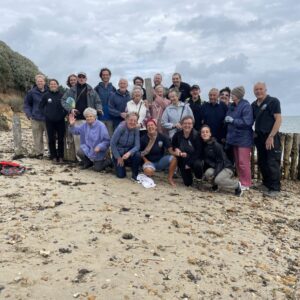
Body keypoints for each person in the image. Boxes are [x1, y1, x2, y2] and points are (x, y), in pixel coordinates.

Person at [61, 72, 102, 160]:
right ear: (78, 78)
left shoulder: (91, 89)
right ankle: (81, 159)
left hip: (90, 119)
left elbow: (98, 101)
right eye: (80, 77)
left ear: (86, 79)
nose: (81, 78)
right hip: (77, 119)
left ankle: (91, 158)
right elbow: (63, 100)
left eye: (83, 77)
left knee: (91, 140)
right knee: (78, 140)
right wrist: (71, 109)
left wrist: (99, 109)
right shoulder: (71, 90)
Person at [252, 82, 282, 197]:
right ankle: (266, 183)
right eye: (256, 90)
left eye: (260, 89)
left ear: (265, 89)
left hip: (271, 137)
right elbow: (251, 120)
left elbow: (278, 119)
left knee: (272, 162)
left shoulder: (273, 101)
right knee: (262, 161)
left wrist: (271, 136)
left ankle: (275, 188)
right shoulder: (254, 105)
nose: (258, 91)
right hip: (259, 137)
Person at [200, 125, 243, 196]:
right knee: (208, 173)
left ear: (210, 134)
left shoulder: (216, 145)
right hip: (217, 167)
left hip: (226, 167)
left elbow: (221, 161)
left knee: (218, 179)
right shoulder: (203, 145)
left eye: (207, 132)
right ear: (201, 134)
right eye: (203, 132)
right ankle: (215, 186)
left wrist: (215, 174)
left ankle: (237, 185)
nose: (205, 133)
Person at [225, 86, 253, 190]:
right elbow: (228, 116)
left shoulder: (246, 106)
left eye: (233, 94)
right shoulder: (232, 106)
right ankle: (241, 181)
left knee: (243, 162)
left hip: (244, 139)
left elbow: (248, 122)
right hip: (234, 138)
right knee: (237, 161)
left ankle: (247, 183)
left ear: (238, 95)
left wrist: (233, 121)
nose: (231, 96)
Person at [140, 119, 177, 186]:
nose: (150, 127)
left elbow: (170, 149)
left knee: (174, 159)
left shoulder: (162, 136)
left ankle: (170, 178)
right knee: (148, 171)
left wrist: (176, 153)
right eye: (148, 125)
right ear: (146, 128)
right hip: (149, 162)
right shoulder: (143, 139)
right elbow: (140, 153)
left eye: (152, 125)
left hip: (160, 161)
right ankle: (150, 171)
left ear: (156, 126)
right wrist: (145, 160)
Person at [39, 79, 67, 164]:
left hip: (60, 121)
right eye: (51, 84)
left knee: (61, 140)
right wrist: (46, 114)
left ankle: (61, 157)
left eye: (54, 84)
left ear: (57, 85)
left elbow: (67, 107)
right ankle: (54, 157)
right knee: (51, 139)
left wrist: (63, 115)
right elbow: (41, 107)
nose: (53, 85)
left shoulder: (62, 95)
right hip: (49, 121)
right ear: (49, 85)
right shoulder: (46, 95)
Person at [171, 116, 203, 186]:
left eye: (189, 123)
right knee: (188, 183)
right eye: (185, 123)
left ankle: (199, 178)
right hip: (183, 159)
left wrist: (189, 163)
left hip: (194, 159)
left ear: (192, 125)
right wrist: (176, 149)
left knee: (198, 165)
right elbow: (173, 145)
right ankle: (190, 177)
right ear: (181, 124)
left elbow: (198, 152)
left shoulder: (196, 135)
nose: (187, 125)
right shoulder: (177, 135)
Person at [23, 74, 48, 158]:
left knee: (50, 137)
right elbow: (27, 104)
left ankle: (52, 153)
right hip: (36, 118)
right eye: (38, 81)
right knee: (37, 138)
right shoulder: (32, 92)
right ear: (36, 82)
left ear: (44, 82)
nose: (40, 82)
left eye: (41, 81)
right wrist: (29, 114)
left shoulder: (49, 91)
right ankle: (39, 153)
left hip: (48, 118)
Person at [110, 112, 141, 180]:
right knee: (121, 175)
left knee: (137, 154)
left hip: (128, 153)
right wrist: (118, 157)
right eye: (130, 120)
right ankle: (113, 162)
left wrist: (129, 153)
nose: (132, 122)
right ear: (126, 119)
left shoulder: (136, 130)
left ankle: (135, 174)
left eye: (135, 121)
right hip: (118, 153)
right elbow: (112, 143)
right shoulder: (121, 128)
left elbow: (137, 146)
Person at [94, 68, 116, 136]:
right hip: (100, 116)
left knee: (110, 136)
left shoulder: (113, 88)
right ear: (101, 76)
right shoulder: (97, 88)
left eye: (107, 75)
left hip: (111, 117)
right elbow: (93, 100)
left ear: (109, 76)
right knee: (100, 137)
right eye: (103, 75)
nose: (105, 76)